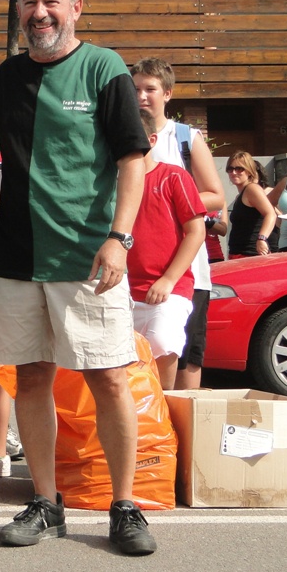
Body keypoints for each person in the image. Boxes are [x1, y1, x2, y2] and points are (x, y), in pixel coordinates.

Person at [0, 0, 155, 556]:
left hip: (88, 257)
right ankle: (45, 503)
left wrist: (120, 237)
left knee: (108, 377)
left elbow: (133, 158)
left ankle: (125, 505)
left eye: (50, 0)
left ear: (76, 7)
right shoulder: (5, 79)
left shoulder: (103, 67)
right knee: (31, 378)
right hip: (18, 258)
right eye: (28, 1)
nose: (39, 12)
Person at [133, 58, 225, 391]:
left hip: (187, 269)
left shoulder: (185, 137)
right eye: (136, 89)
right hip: (139, 272)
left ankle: (183, 434)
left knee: (186, 355)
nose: (142, 95)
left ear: (167, 93)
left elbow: (216, 195)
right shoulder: (124, 136)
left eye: (150, 89)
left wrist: (173, 197)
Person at [127, 111, 206, 390]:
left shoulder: (174, 176)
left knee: (162, 343)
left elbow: (197, 231)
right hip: (123, 290)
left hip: (169, 289)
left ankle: (163, 415)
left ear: (151, 139)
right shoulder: (112, 182)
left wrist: (169, 279)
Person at [226, 151, 277, 258]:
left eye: (239, 169)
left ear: (249, 171)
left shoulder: (252, 189)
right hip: (239, 253)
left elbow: (270, 214)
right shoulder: (241, 195)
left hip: (251, 254)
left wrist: (262, 238)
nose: (234, 172)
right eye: (230, 169)